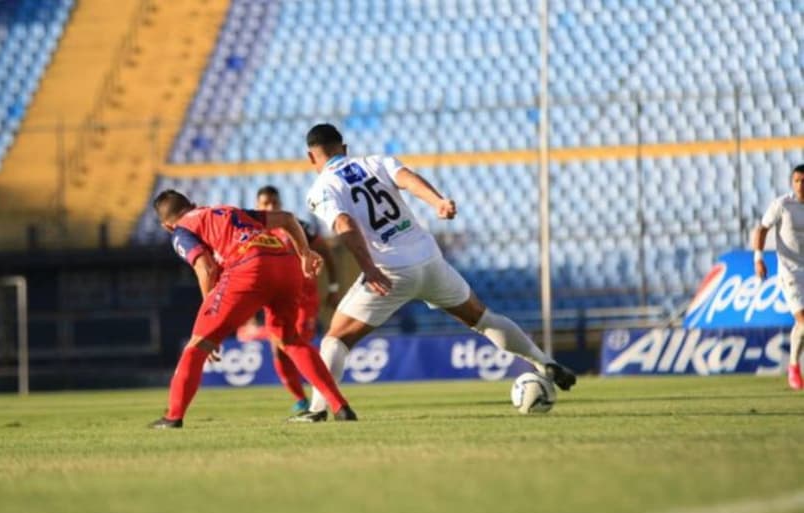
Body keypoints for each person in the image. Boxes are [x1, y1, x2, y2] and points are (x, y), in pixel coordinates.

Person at [293, 124, 576, 422]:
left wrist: (368, 268)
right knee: (482, 318)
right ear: (345, 148)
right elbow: (408, 180)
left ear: (311, 158)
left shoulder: (321, 188)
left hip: (390, 270)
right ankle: (543, 361)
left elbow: (345, 226)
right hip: (429, 259)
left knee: (335, 340)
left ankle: (318, 410)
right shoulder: (375, 162)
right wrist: (438, 201)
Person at [148, 189, 357, 428]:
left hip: (248, 266)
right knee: (289, 339)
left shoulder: (181, 231)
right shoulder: (230, 210)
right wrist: (304, 253)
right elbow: (288, 219)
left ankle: (173, 416)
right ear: (193, 203)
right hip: (286, 265)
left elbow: (205, 268)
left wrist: (210, 314)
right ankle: (340, 407)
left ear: (166, 226)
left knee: (197, 345)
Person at [250, 185, 341, 415]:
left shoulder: (297, 225)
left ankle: (322, 400)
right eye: (265, 204)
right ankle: (301, 399)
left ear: (280, 204)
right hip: (275, 300)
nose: (270, 207)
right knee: (278, 351)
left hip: (303, 299)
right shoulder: (252, 230)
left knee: (296, 345)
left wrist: (333, 285)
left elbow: (325, 251)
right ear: (257, 206)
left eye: (274, 203)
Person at [753, 164, 804, 390]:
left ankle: (793, 364)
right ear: (792, 183)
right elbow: (762, 229)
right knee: (803, 320)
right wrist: (758, 258)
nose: (801, 185)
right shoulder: (782, 205)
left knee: (801, 326)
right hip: (790, 271)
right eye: (797, 181)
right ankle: (794, 366)